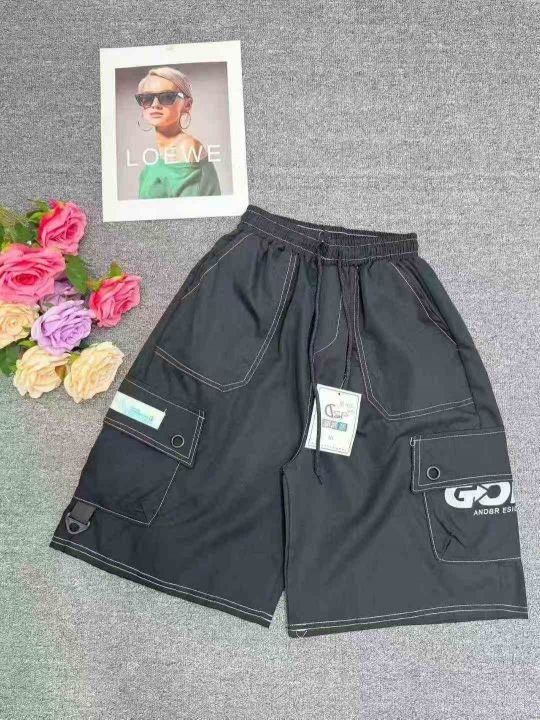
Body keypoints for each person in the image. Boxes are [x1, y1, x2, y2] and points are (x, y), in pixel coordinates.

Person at [135, 66, 221, 199]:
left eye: (167, 97)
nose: (155, 104)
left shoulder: (185, 147)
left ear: (187, 105)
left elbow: (189, 210)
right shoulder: (158, 157)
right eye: (147, 98)